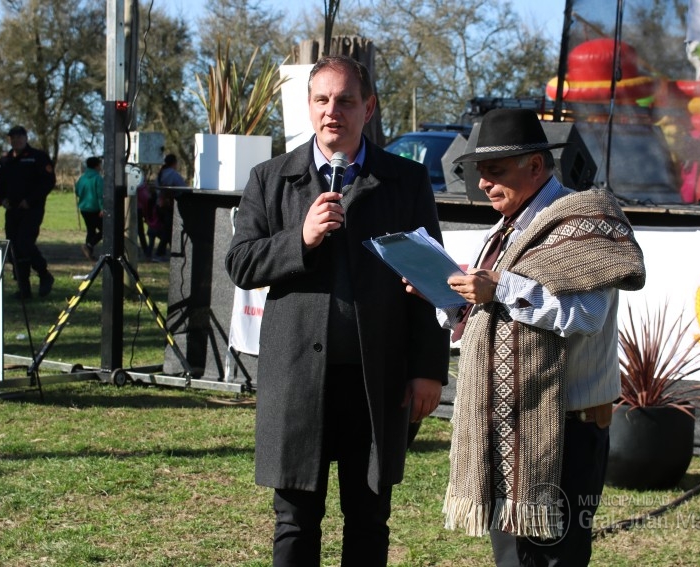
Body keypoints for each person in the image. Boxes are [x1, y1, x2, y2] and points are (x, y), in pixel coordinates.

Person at [226, 55, 450, 566]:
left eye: (346, 100)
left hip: (376, 380)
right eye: (322, 100)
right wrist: (300, 240)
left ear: (368, 108)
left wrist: (428, 371)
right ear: (308, 107)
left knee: (369, 520)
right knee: (295, 522)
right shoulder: (270, 178)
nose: (334, 111)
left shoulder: (405, 182)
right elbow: (240, 263)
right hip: (297, 377)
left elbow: (431, 281)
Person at [407, 109, 646, 567]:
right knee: (513, 560)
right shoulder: (507, 229)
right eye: (479, 172)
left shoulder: (586, 220)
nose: (482, 183)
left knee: (554, 559)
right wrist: (446, 294)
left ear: (535, 166)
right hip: (508, 424)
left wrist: (498, 288)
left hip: (566, 430)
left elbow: (585, 315)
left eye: (495, 171)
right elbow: (487, 320)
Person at [0, 125, 57, 299]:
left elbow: (48, 182)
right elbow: (0, 184)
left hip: (32, 209)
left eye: (19, 137)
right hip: (12, 209)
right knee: (13, 248)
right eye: (12, 138)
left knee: (25, 243)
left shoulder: (37, 157)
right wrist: (2, 199)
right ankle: (24, 289)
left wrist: (30, 200)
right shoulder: (6, 160)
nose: (16, 140)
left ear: (26, 138)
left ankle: (44, 274)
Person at [75, 156, 104, 261]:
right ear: (97, 165)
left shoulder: (82, 178)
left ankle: (89, 253)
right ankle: (89, 246)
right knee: (104, 230)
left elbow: (77, 191)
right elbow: (101, 194)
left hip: (83, 208)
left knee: (90, 230)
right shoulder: (98, 178)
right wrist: (102, 208)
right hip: (95, 209)